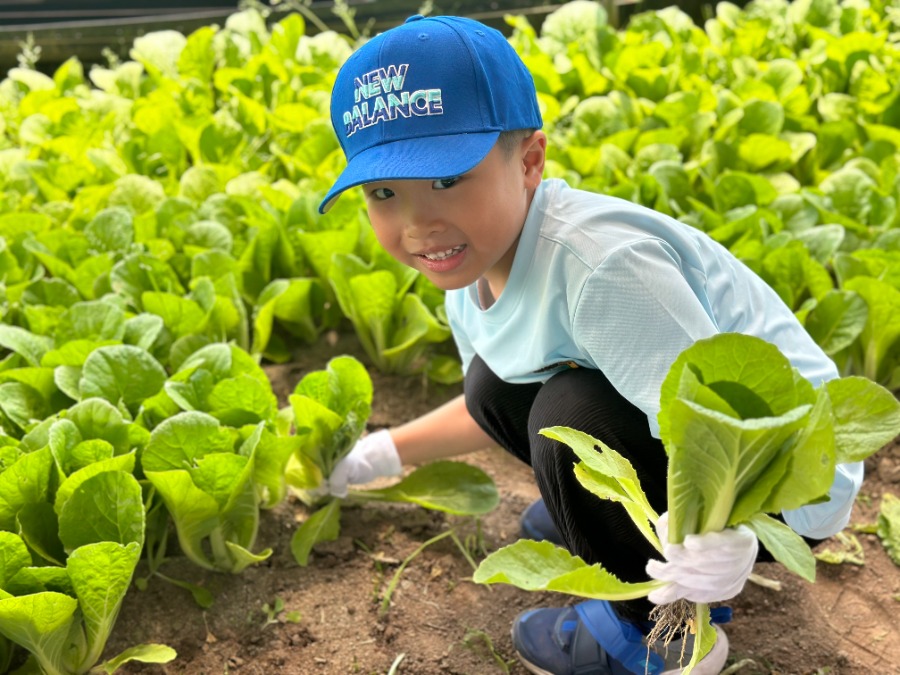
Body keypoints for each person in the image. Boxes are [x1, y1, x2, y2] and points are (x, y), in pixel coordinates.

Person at [317, 14, 862, 675]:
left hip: (782, 471)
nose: (418, 224)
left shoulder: (603, 268)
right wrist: (381, 453)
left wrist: (733, 535)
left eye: (446, 180)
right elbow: (487, 404)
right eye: (382, 193)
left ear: (529, 161)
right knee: (493, 382)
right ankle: (614, 521)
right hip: (706, 439)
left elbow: (721, 427)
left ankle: (665, 640)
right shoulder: (466, 265)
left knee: (567, 413)